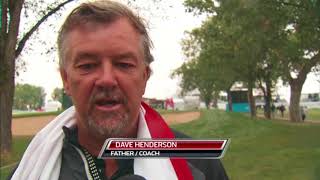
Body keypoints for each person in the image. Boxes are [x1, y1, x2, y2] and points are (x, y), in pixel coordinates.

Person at [9, 1, 228, 180]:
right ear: (65, 79)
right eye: (87, 66)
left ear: (145, 77)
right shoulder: (27, 172)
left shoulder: (201, 167)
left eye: (124, 64)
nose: (106, 80)